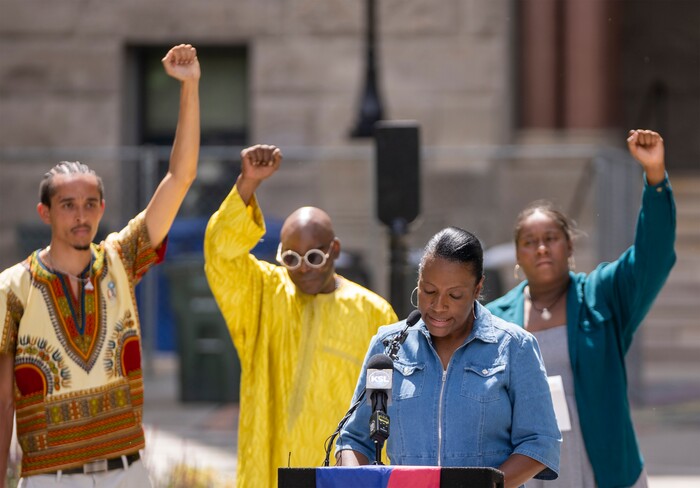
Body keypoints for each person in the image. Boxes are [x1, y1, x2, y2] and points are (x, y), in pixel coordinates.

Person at [0, 44, 200, 487]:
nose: (81, 214)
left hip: (126, 473)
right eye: (67, 205)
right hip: (48, 478)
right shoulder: (11, 288)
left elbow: (180, 178)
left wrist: (190, 87)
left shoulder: (120, 260)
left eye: (90, 204)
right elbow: (2, 402)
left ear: (103, 207)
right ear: (45, 214)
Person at [486, 129, 675, 488]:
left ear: (569, 246)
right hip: (530, 471)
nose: (541, 249)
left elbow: (654, 256)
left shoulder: (601, 296)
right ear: (517, 256)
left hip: (603, 467)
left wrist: (655, 178)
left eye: (550, 239)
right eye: (530, 242)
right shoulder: (495, 319)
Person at [203, 144, 398, 488]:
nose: (302, 269)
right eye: (291, 259)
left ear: (334, 250)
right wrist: (247, 184)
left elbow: (389, 405)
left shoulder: (373, 312)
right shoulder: (262, 293)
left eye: (313, 257)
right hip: (269, 471)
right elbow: (220, 254)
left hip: (340, 476)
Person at [336, 227, 561, 488]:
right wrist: (358, 481)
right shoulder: (388, 346)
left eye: (454, 295)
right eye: (428, 291)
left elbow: (539, 442)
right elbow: (355, 438)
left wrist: (487, 486)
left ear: (478, 288)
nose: (438, 305)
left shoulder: (515, 347)